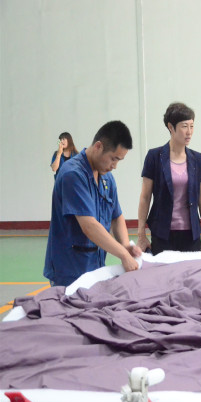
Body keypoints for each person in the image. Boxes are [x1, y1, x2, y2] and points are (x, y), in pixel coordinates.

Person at [44, 121, 141, 287]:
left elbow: (116, 216)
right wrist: (123, 255)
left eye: (119, 161)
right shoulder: (73, 174)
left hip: (95, 266)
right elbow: (89, 226)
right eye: (113, 159)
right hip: (70, 270)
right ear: (98, 146)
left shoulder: (107, 178)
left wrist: (126, 245)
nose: (115, 166)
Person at [137, 103, 201, 255]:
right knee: (163, 270)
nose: (189, 132)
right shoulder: (154, 157)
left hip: (191, 235)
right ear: (171, 127)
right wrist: (141, 234)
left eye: (192, 126)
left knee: (190, 270)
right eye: (184, 126)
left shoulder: (197, 159)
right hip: (162, 233)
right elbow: (145, 197)